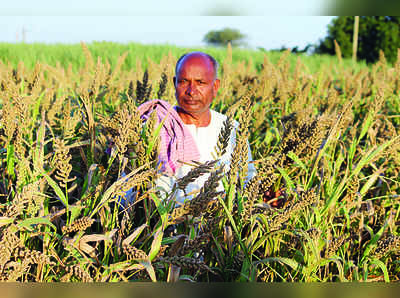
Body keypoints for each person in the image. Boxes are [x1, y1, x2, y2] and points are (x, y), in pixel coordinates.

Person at [138, 51, 256, 206]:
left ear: (215, 86)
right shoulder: (156, 127)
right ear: (174, 83)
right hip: (165, 224)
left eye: (200, 82)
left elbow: (248, 179)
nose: (191, 91)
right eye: (184, 82)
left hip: (218, 225)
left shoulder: (232, 129)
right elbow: (130, 188)